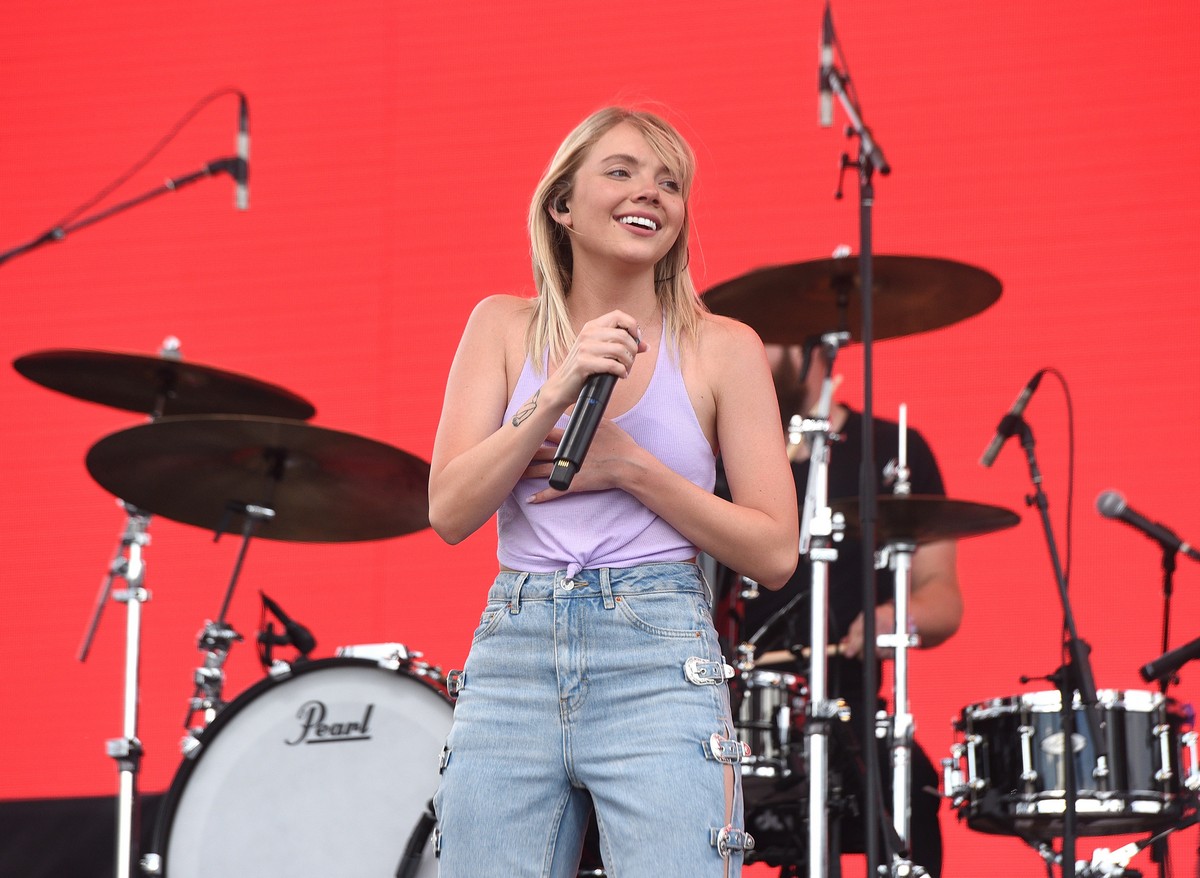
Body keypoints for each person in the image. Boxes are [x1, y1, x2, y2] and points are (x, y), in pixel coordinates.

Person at [427, 107, 799, 878]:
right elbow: (450, 510)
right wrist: (557, 387)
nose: (652, 194)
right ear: (561, 204)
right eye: (623, 171)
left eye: (671, 183)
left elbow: (773, 550)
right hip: (515, 652)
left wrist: (632, 468)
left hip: (656, 651)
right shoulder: (501, 326)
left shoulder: (723, 347)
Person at [716, 340, 962, 877]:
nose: (750, 352)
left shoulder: (893, 449)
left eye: (770, 339)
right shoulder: (719, 451)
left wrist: (894, 617)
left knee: (909, 793)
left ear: (815, 350)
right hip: (724, 709)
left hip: (848, 704)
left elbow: (943, 598)